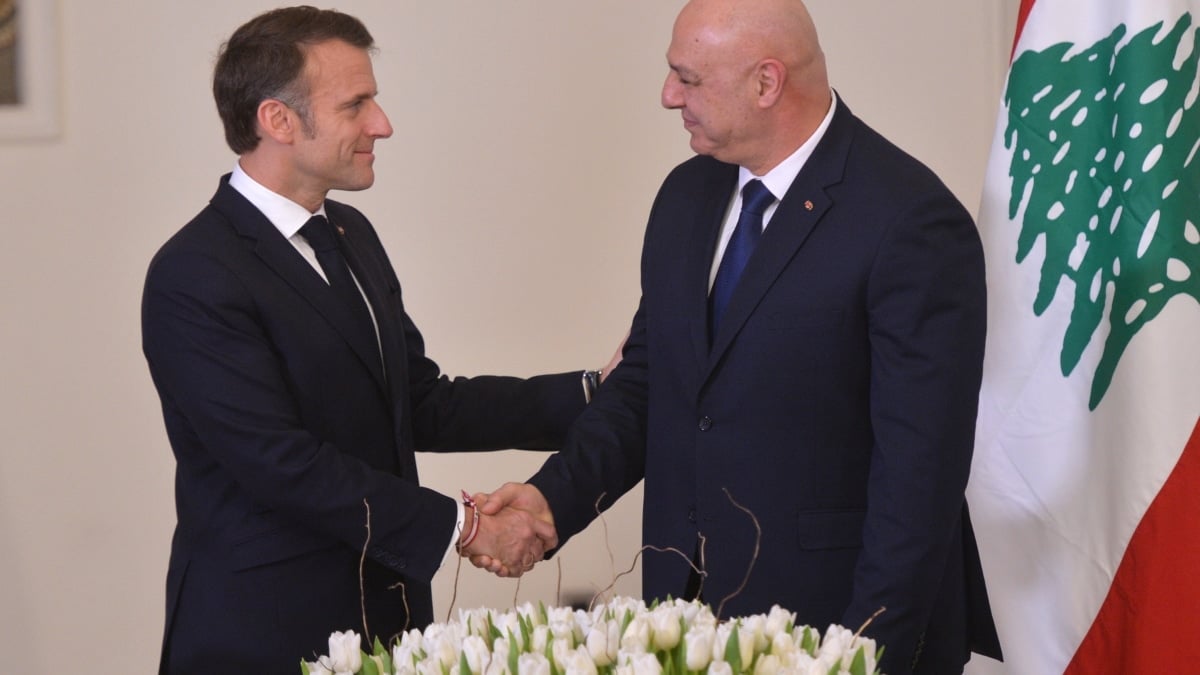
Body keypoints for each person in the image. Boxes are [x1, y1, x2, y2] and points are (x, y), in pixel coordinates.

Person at [474, 0, 1003, 672]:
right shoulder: (685, 197)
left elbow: (919, 479)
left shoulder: (909, 223)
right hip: (685, 623)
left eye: (687, 79)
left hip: (834, 628)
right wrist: (553, 501)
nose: (669, 97)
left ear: (767, 82)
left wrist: (864, 651)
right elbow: (649, 384)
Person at [141, 7, 608, 673]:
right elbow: (281, 463)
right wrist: (466, 524)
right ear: (278, 120)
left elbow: (417, 401)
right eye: (356, 104)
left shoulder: (350, 234)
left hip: (384, 621)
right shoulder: (193, 273)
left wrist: (594, 392)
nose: (381, 125)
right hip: (261, 633)